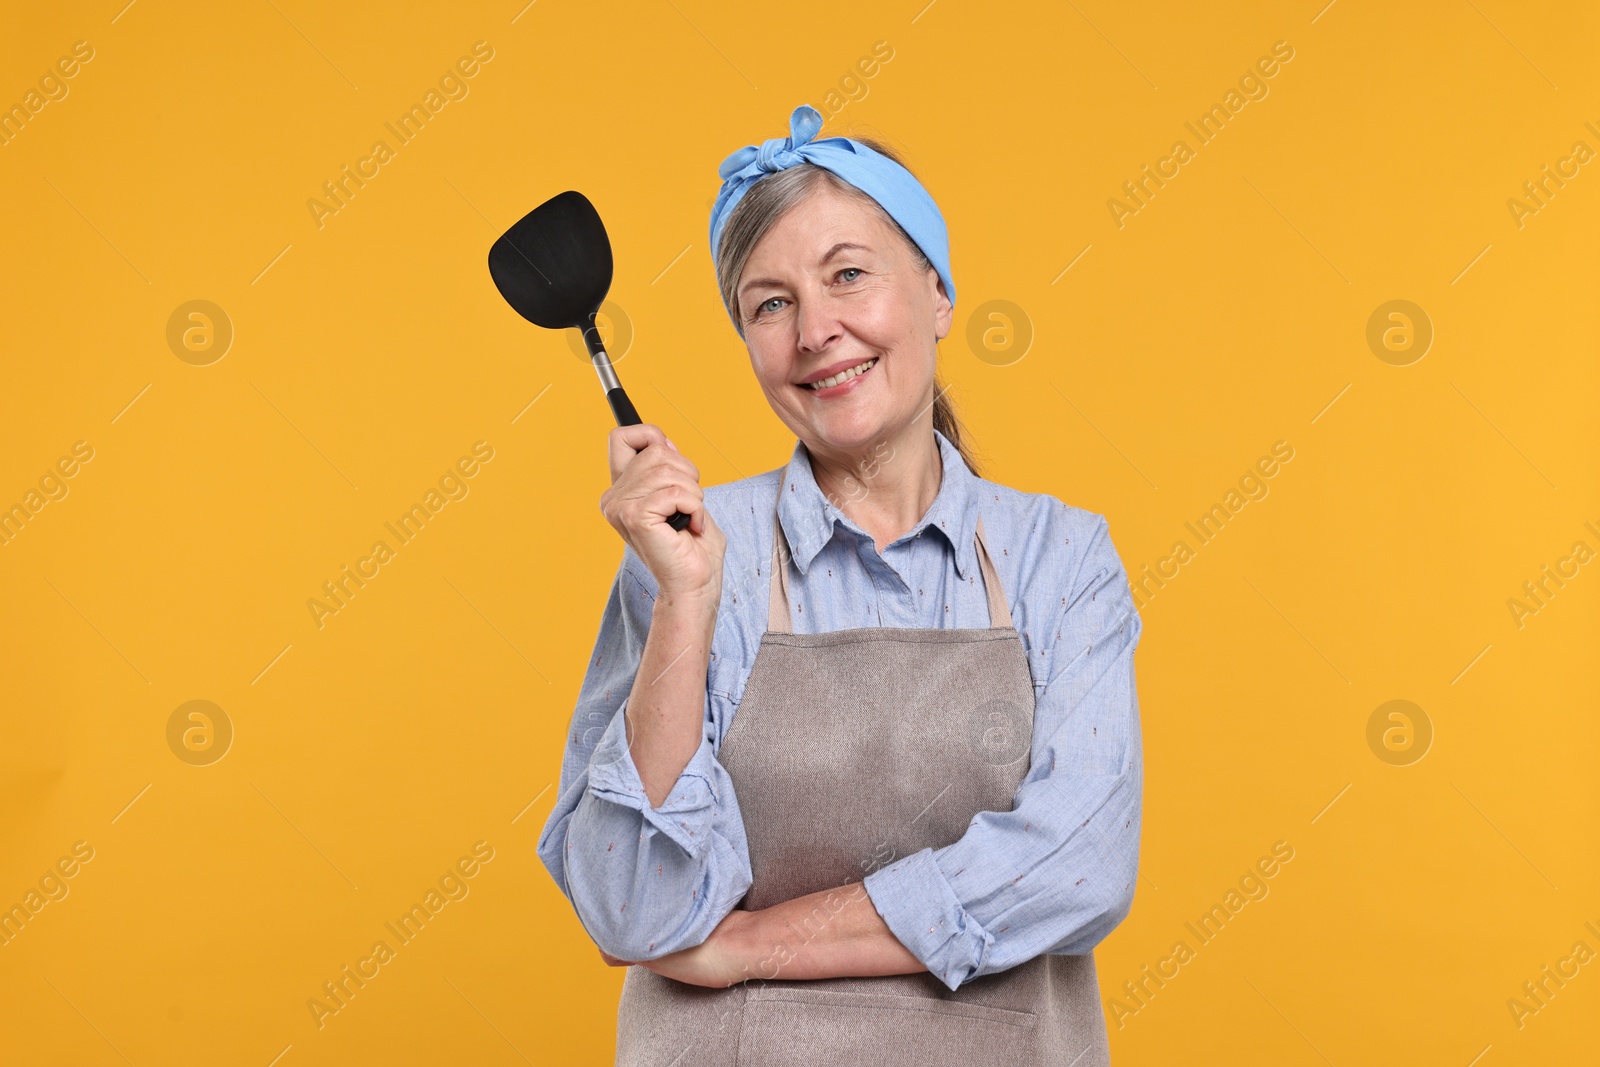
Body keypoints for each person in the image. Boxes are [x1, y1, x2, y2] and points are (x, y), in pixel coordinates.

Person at [538, 103, 1143, 1066]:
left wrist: (746, 947)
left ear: (937, 293)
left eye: (849, 275)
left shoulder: (1059, 559)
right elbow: (634, 907)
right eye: (770, 303)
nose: (818, 331)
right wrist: (687, 598)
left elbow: (1076, 867)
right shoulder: (692, 553)